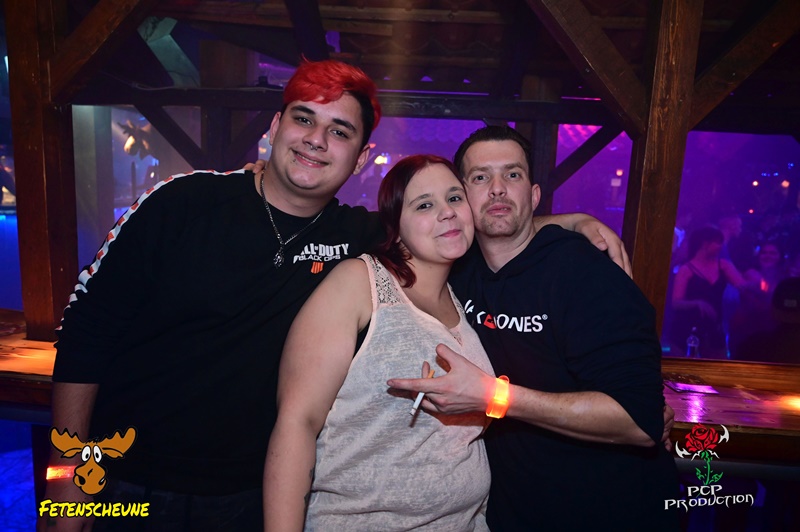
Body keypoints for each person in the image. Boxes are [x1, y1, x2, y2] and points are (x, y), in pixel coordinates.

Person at [45, 60, 626, 531]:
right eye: (304, 119)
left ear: (358, 157)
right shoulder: (182, 202)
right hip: (125, 483)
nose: (317, 141)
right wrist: (64, 482)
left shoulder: (356, 235)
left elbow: (448, 228)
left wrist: (569, 222)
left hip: (247, 496)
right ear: (276, 127)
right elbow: (85, 334)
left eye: (340, 132)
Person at [388, 125, 680, 531]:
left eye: (512, 174)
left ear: (534, 194)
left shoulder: (585, 273)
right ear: (463, 201)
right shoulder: (458, 271)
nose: (497, 189)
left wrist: (495, 397)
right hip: (514, 515)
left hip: (614, 514)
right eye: (480, 177)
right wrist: (575, 219)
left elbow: (640, 421)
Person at [264, 155, 494, 531]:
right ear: (395, 226)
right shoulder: (360, 283)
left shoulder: (462, 297)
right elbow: (297, 423)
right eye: (424, 205)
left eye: (455, 198)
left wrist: (573, 222)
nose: (448, 212)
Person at [670, 225, 748, 358]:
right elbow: (676, 303)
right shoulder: (686, 269)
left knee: (718, 365)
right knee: (683, 367)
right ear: (705, 244)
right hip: (686, 327)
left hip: (713, 326)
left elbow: (742, 286)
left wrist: (757, 283)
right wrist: (697, 303)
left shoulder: (723, 265)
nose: (721, 246)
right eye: (718, 242)